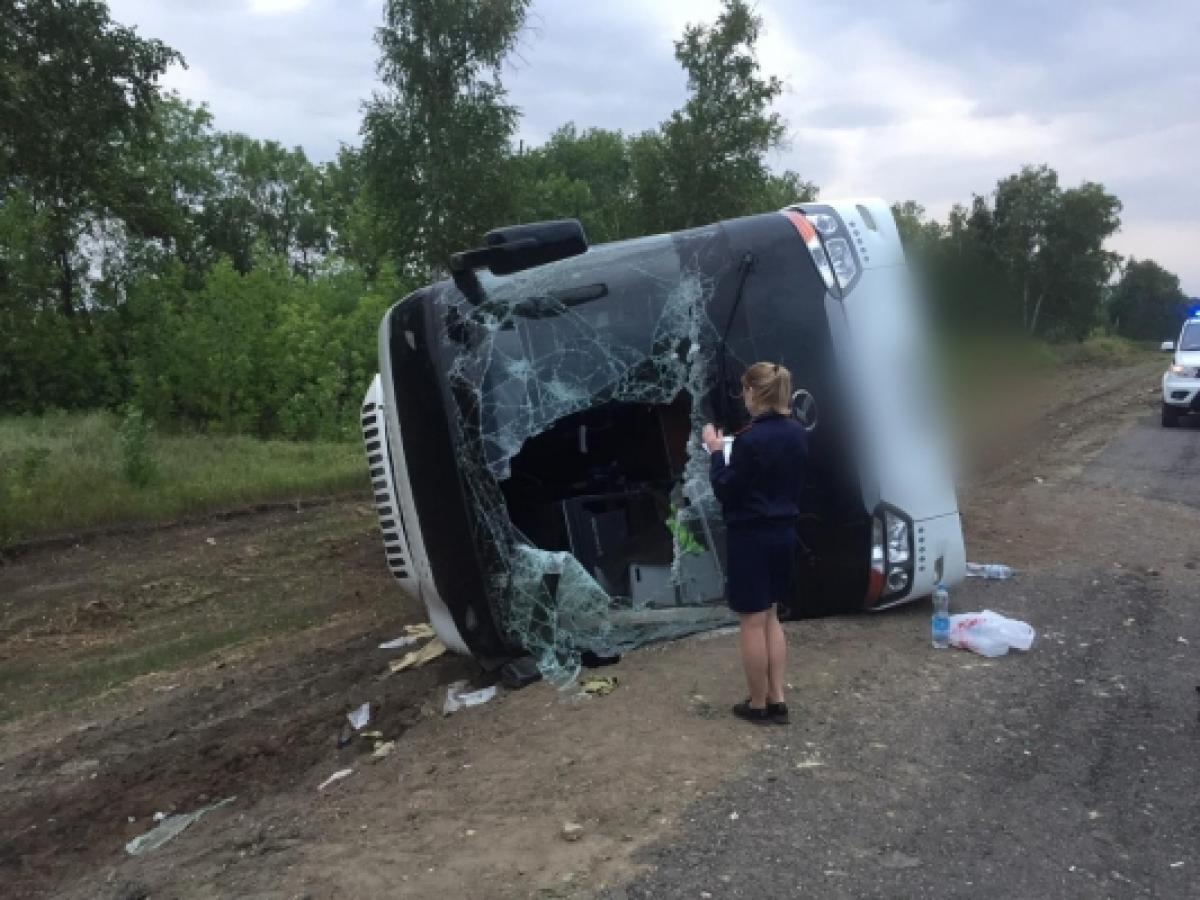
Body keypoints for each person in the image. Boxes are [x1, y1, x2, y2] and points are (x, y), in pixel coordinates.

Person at [702, 362, 807, 725]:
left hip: (751, 537)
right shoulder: (797, 432)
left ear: (753, 393)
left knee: (751, 621)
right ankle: (778, 698)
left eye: (745, 391)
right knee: (771, 615)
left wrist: (716, 451)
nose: (743, 398)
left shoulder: (750, 439)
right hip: (784, 533)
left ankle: (758, 705)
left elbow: (727, 490)